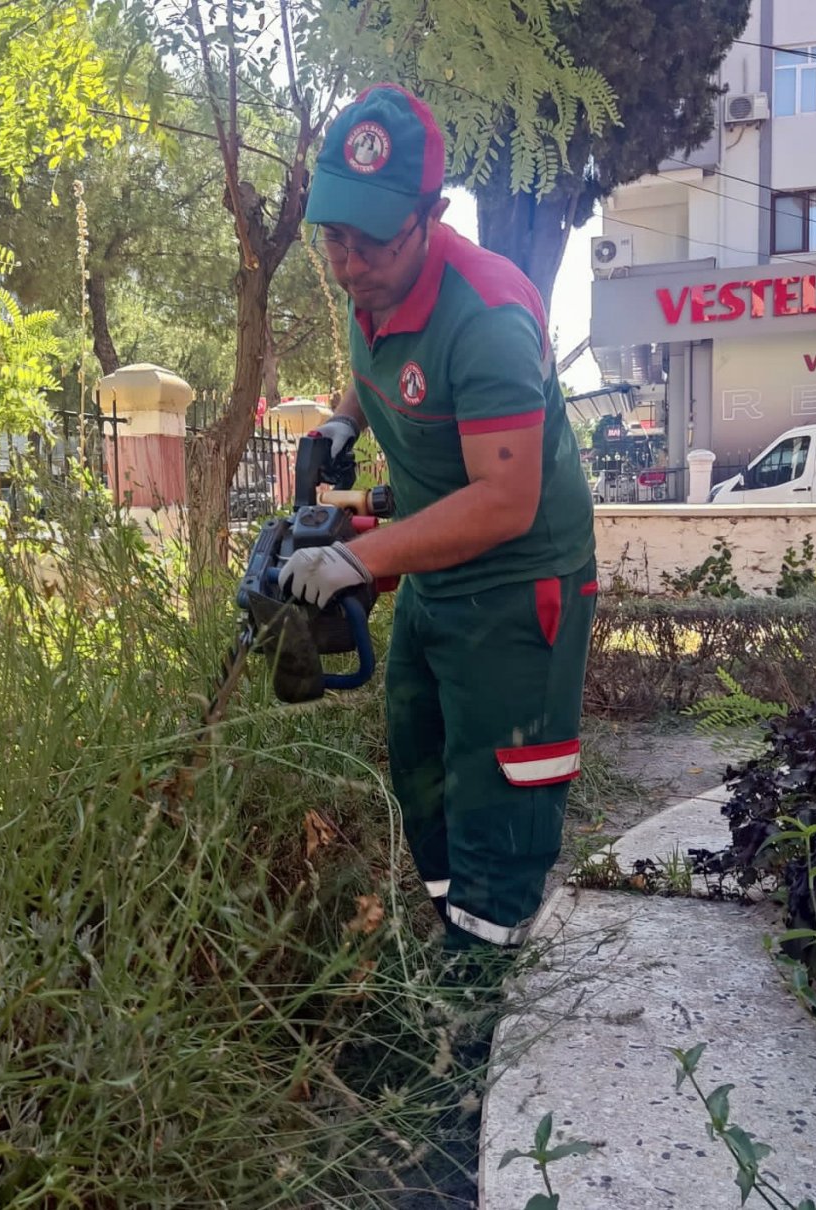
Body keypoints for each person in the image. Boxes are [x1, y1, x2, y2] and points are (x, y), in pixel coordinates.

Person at [279, 84, 598, 953]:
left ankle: (482, 997)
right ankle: (452, 931)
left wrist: (360, 557)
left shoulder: (490, 316)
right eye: (333, 239)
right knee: (420, 758)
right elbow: (379, 345)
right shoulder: (370, 275)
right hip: (438, 566)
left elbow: (505, 500)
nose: (348, 266)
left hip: (518, 582)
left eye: (369, 243)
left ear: (431, 216)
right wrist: (346, 419)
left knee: (503, 786)